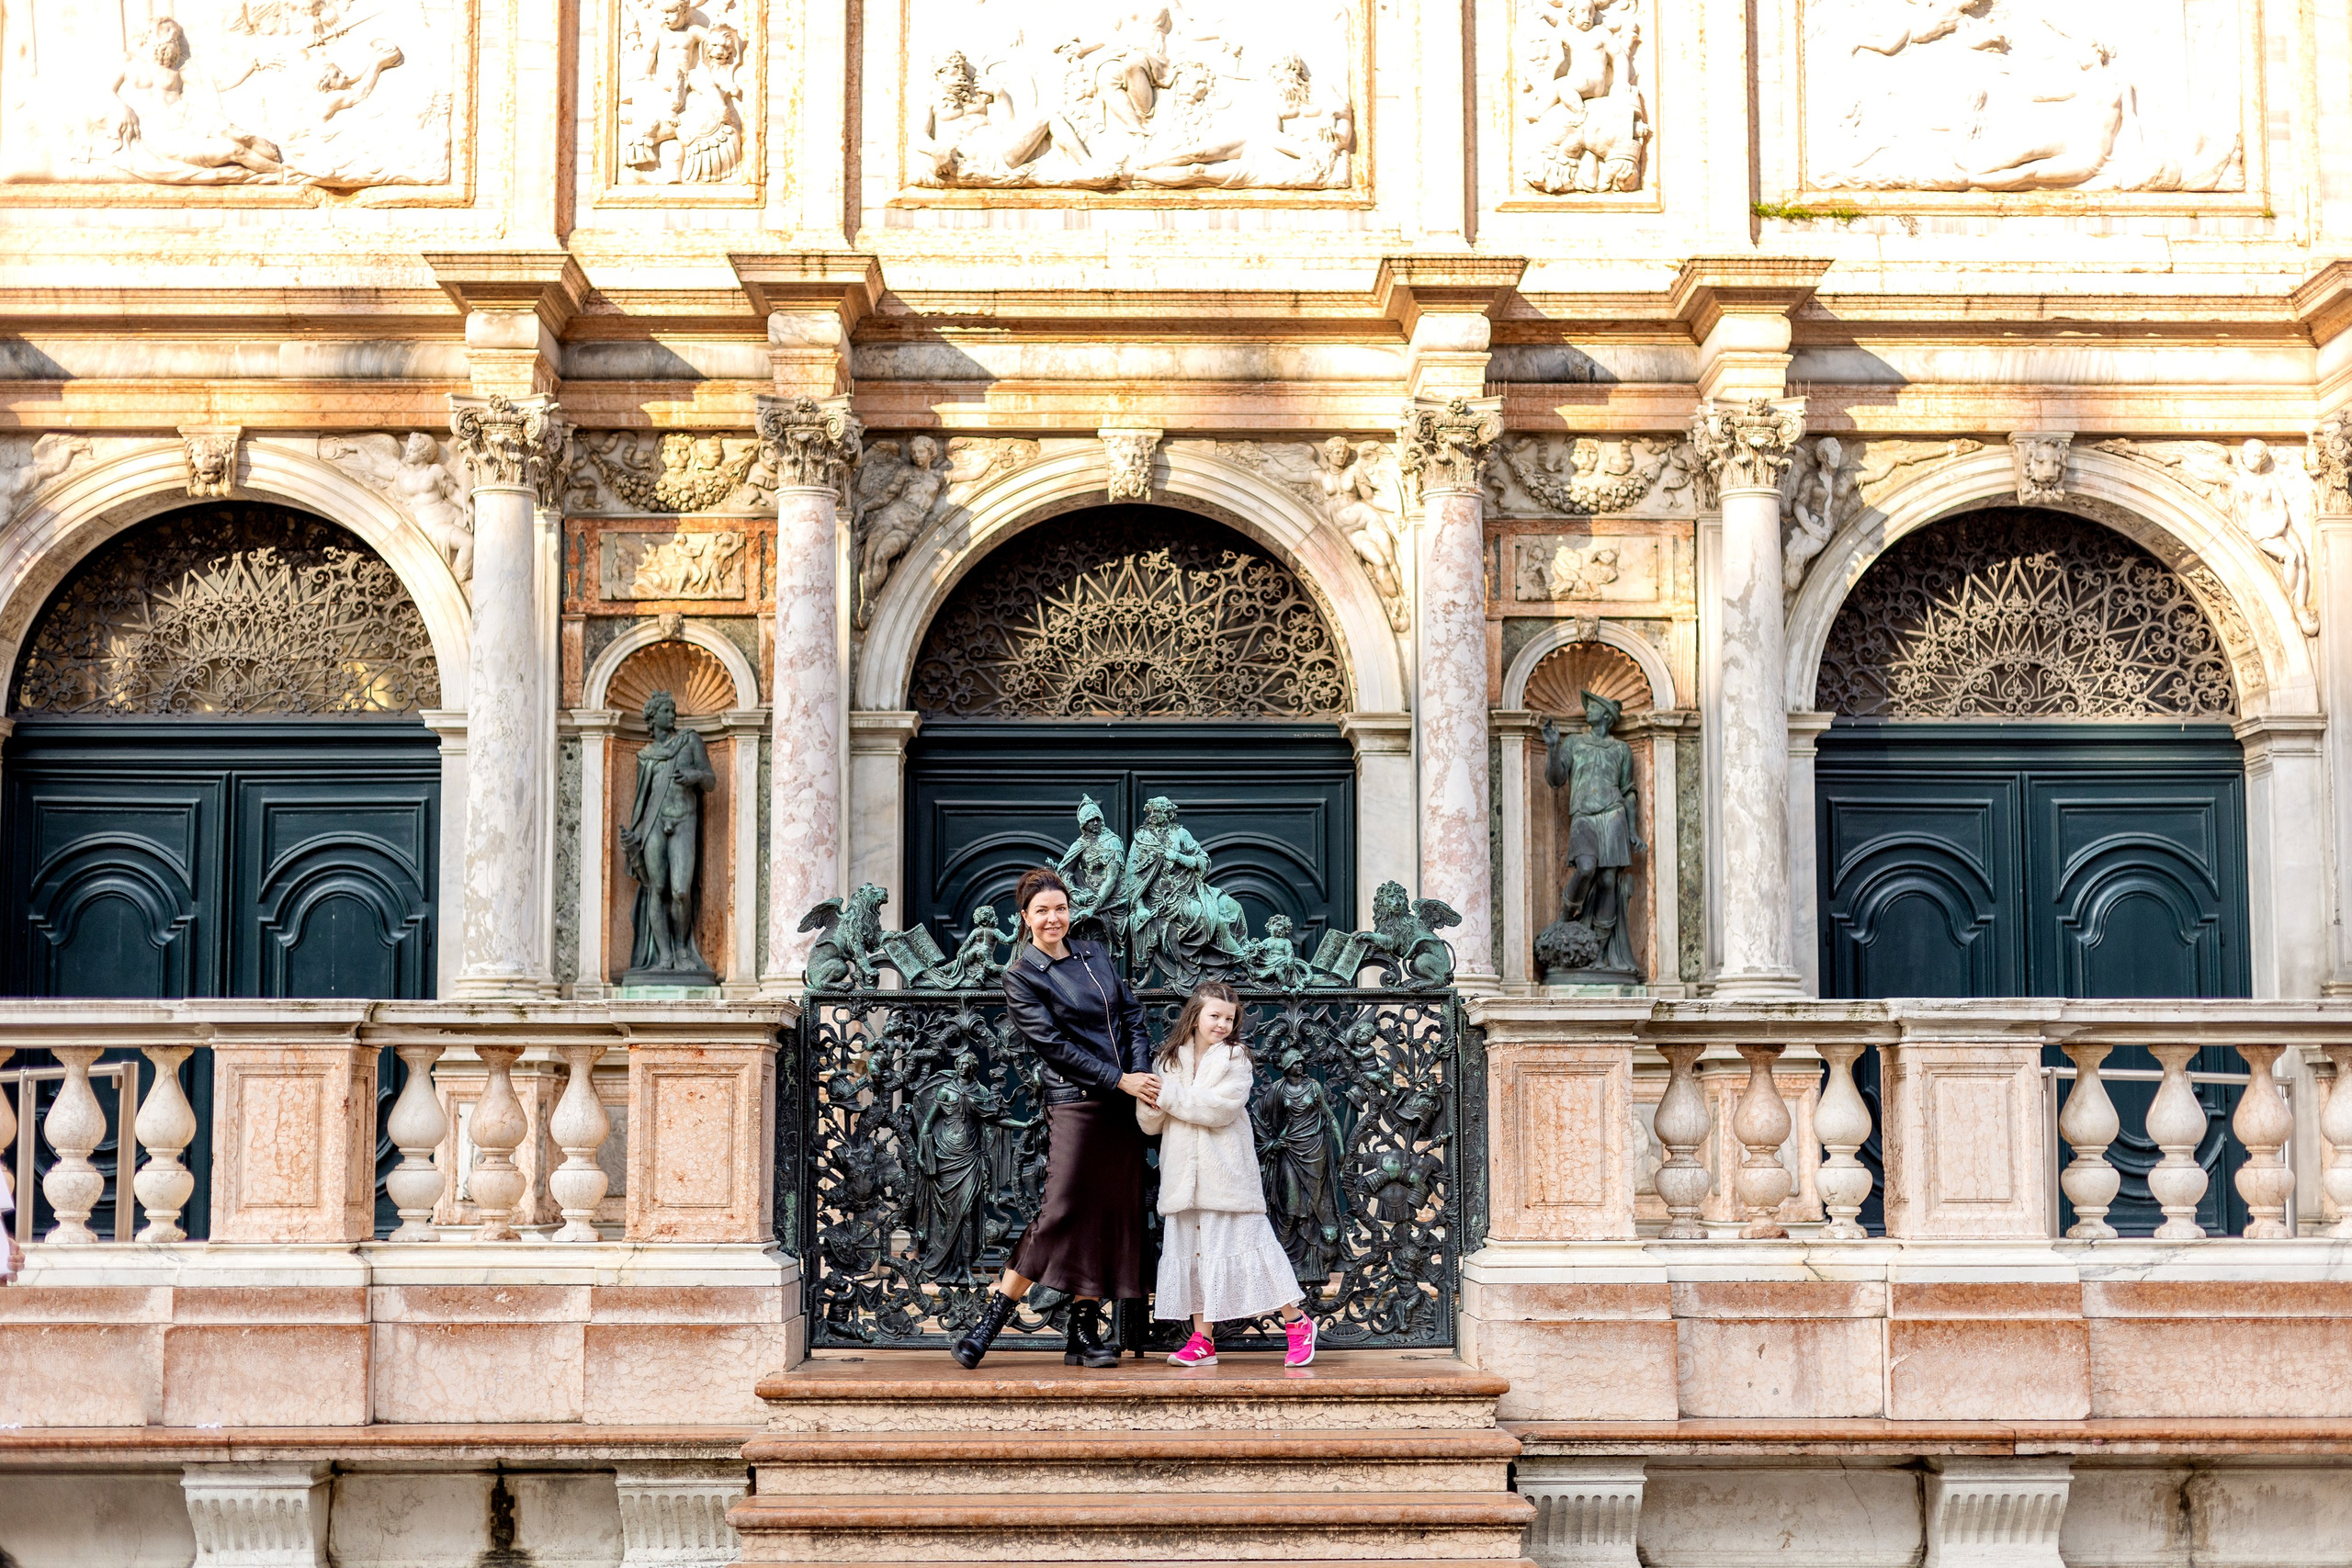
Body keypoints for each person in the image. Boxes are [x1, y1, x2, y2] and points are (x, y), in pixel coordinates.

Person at [950, 868, 1159, 1370]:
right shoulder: (1020, 977)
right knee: (1060, 1211)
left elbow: (1132, 1018)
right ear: (1024, 918)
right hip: (1077, 1102)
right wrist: (1118, 1079)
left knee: (1109, 1216)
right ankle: (993, 1319)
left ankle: (1083, 1334)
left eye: (1060, 908)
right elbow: (1052, 1045)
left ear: (1070, 912)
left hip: (1124, 1104)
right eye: (1041, 910)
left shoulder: (1095, 955)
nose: (1053, 918)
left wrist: (1140, 1075)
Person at [1138, 980, 1317, 1368]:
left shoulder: (1236, 1058)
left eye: (1228, 1018)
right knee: (1194, 1256)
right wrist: (1150, 1100)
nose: (1221, 1024)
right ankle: (1202, 1340)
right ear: (1195, 1015)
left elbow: (1219, 1109)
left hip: (1227, 1173)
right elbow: (1151, 1124)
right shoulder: (1168, 1060)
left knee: (1254, 1248)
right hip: (1182, 1175)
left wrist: (1166, 1096)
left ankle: (1298, 1323)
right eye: (1214, 1016)